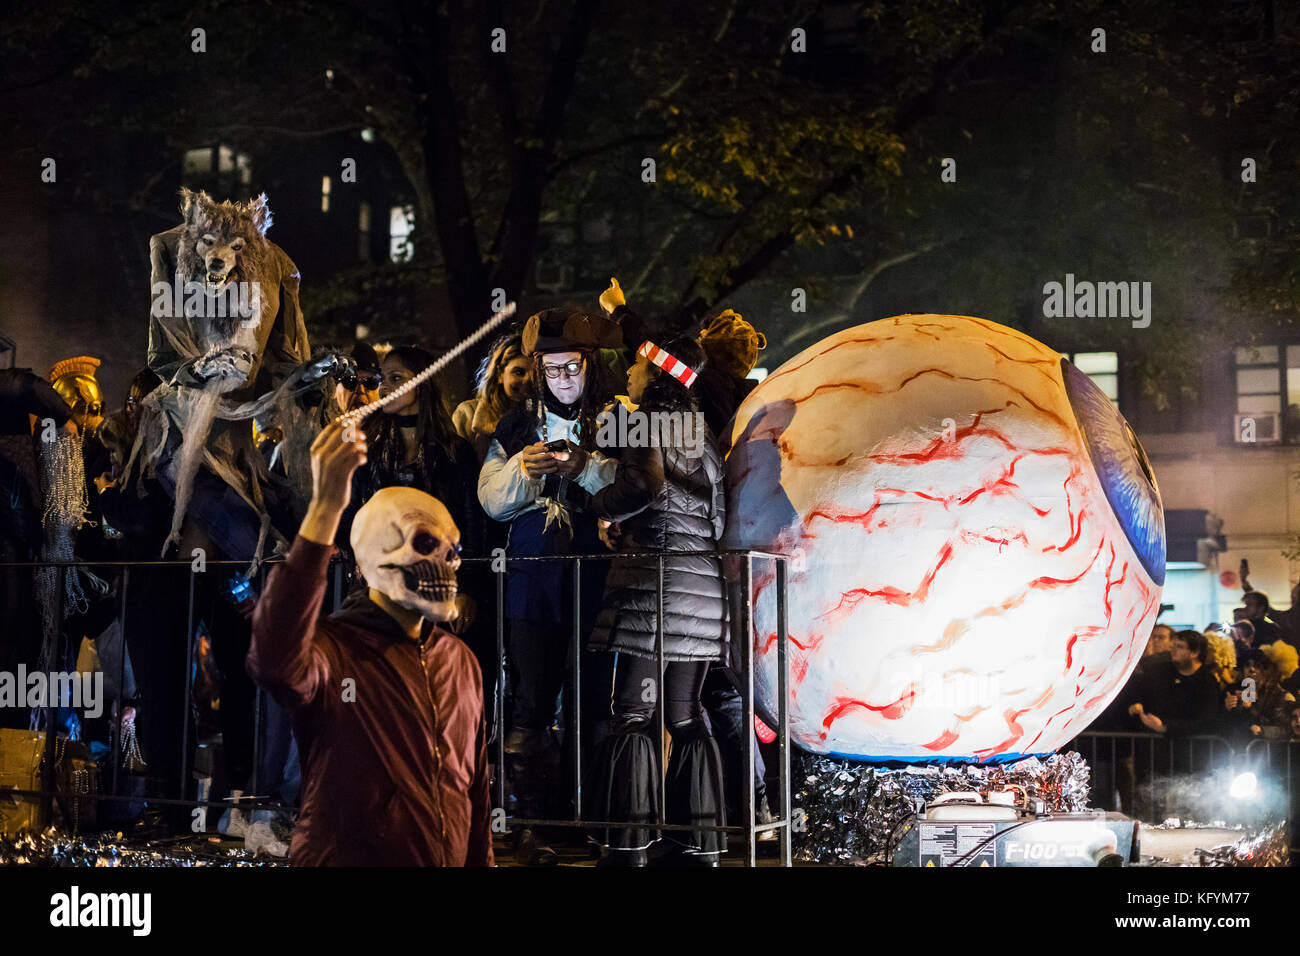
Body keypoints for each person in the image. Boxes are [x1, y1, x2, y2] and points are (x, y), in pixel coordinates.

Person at [248, 422, 493, 865]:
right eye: (425, 544)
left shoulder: (461, 662)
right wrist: (325, 508)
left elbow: (475, 799)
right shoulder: (334, 653)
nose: (446, 562)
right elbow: (273, 657)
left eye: (452, 551)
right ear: (376, 555)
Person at [478, 306, 622, 865]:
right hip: (533, 579)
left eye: (572, 367)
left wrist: (585, 466)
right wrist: (524, 469)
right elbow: (492, 498)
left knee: (592, 697)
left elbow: (634, 484)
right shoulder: (516, 423)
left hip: (596, 576)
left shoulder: (617, 417)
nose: (563, 378)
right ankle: (534, 816)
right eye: (552, 369)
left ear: (589, 364)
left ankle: (587, 813)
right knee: (532, 697)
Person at [587, 333, 730, 867]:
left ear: (658, 374)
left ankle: (629, 845)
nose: (629, 374)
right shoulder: (703, 433)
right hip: (702, 589)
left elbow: (641, 489)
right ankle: (698, 844)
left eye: (637, 367)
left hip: (656, 586)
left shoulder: (645, 425)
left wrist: (600, 507)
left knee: (632, 712)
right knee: (686, 715)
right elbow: (716, 518)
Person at [453, 331, 530, 463]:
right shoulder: (467, 413)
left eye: (536, 374)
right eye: (518, 372)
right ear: (500, 374)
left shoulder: (539, 419)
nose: (527, 381)